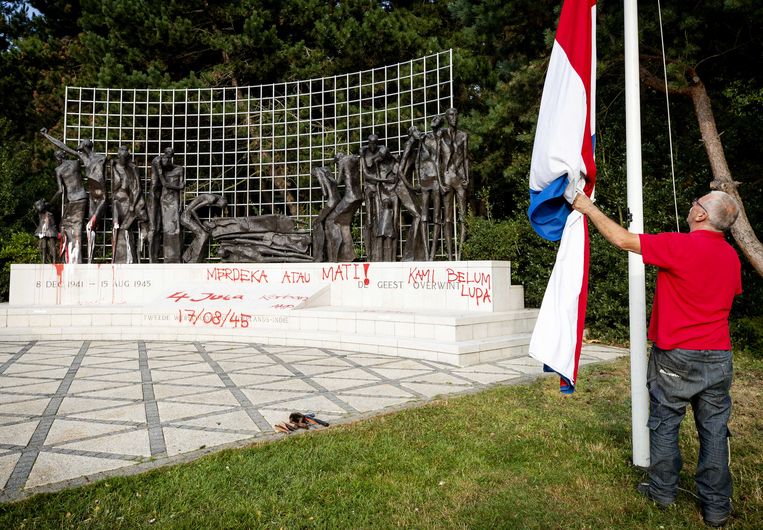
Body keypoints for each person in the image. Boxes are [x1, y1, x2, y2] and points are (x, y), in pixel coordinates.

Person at [572, 190, 742, 527]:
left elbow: (622, 240)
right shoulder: (731, 257)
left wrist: (588, 207)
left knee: (665, 424)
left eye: (698, 201)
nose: (693, 204)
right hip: (719, 356)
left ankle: (662, 492)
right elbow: (728, 295)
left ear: (701, 216)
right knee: (714, 432)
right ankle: (717, 508)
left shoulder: (680, 246)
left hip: (677, 355)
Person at [438, 108, 469, 260]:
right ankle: (450, 256)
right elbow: (437, 160)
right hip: (446, 178)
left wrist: (467, 177)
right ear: (446, 117)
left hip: (460, 177)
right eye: (451, 115)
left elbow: (465, 158)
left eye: (456, 114)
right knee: (448, 218)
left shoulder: (463, 135)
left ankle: (461, 255)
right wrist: (439, 181)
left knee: (463, 216)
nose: (454, 117)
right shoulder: (441, 135)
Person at [180, 193, 227, 263]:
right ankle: (193, 260)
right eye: (220, 205)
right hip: (186, 218)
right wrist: (201, 225)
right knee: (203, 235)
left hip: (188, 218)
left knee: (203, 235)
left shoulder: (212, 197)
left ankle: (187, 256)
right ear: (220, 200)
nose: (219, 206)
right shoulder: (211, 199)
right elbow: (193, 210)